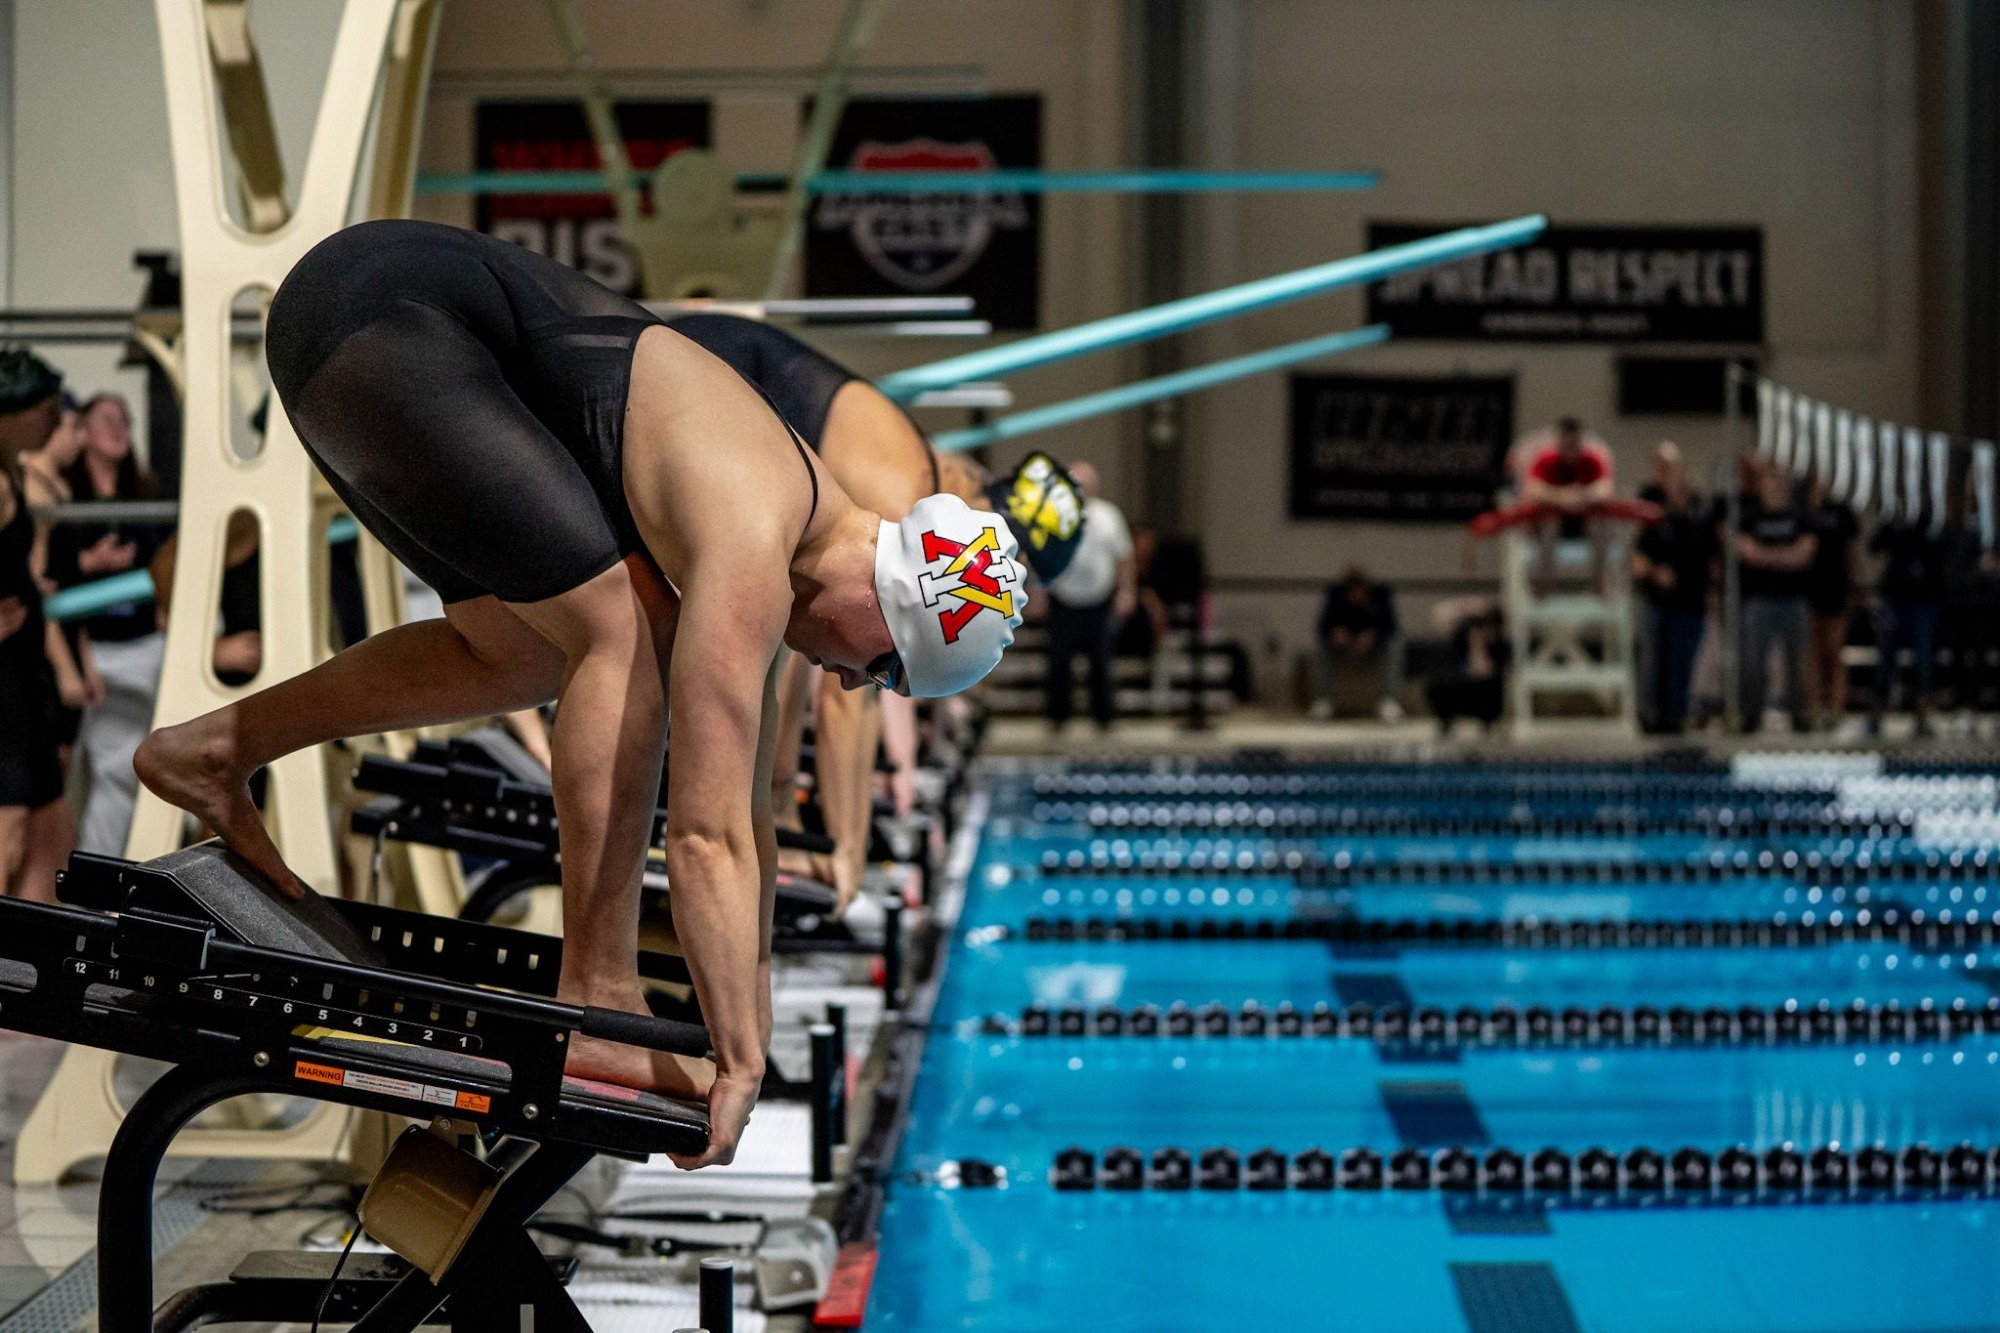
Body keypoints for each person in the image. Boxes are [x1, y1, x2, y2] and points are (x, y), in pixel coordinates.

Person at [132, 219, 1028, 1171]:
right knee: (626, 632)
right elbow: (705, 834)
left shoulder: (789, 514)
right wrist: (736, 1059)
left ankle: (220, 746)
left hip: (370, 319)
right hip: (385, 317)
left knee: (518, 652)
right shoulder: (755, 532)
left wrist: (749, 1014)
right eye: (884, 667)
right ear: (888, 604)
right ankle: (597, 989)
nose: (854, 681)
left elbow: (752, 827)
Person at [665, 314, 1080, 910]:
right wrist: (847, 850)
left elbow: (824, 651)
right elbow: (845, 695)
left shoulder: (925, 483)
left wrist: (782, 798)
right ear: (990, 505)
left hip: (699, 379)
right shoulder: (901, 493)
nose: (983, 568)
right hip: (680, 377)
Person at [47, 392, 171, 855]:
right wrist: (88, 562)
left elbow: (168, 560)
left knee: (135, 772)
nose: (119, 427)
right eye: (106, 419)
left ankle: (132, 876)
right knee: (99, 772)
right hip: (93, 651)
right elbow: (48, 573)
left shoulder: (146, 494)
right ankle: (90, 883)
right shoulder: (66, 497)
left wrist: (165, 602)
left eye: (125, 418)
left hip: (146, 647)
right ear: (82, 433)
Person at [0, 347, 75, 903]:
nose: (56, 421)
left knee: (51, 839)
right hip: (4, 685)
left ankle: (30, 980)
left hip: (24, 678)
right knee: (11, 831)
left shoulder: (15, 475)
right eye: (46, 409)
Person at [1041, 461, 1133, 732]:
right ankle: (1058, 718)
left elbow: (1124, 556)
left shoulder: (1109, 515)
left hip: (1100, 600)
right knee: (1058, 661)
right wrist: (1037, 593)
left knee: (1101, 661)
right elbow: (1040, 557)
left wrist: (1126, 590)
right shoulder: (1052, 515)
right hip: (1063, 598)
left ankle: (1104, 718)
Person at [1630, 442, 1715, 733]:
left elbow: (1710, 559)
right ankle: (1654, 716)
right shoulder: (1650, 510)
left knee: (1683, 663)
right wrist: (1656, 573)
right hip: (1660, 601)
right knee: (1657, 662)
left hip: (1691, 602)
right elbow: (1638, 557)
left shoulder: (1698, 515)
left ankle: (1677, 716)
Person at [1735, 462, 1815, 732]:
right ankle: (1752, 715)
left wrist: (1767, 556)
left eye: (1781, 480)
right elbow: (1747, 552)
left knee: (1796, 662)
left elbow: (1803, 555)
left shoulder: (1800, 517)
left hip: (1793, 599)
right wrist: (1784, 555)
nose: (1776, 485)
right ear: (1763, 484)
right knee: (1755, 661)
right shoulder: (1750, 516)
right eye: (1772, 479)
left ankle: (1798, 715)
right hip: (1760, 600)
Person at [1869, 514, 1947, 738]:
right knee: (1886, 659)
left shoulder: (1932, 519)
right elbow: (1874, 546)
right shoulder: (1895, 519)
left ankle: (1922, 715)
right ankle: (1877, 713)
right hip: (1895, 599)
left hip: (1926, 600)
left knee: (1924, 660)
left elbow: (1945, 552)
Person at [1518, 418, 1615, 586]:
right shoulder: (1546, 460)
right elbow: (1532, 489)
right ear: (1559, 441)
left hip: (1583, 525)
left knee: (1601, 525)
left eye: (1574, 443)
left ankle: (1598, 584)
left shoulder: (1591, 460)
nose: (1571, 447)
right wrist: (1562, 496)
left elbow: (1605, 489)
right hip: (1552, 525)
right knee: (1549, 523)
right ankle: (1545, 584)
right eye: (1567, 443)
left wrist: (1582, 495)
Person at [1801, 475, 1859, 730]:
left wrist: (1853, 584)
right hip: (1811, 590)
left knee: (1835, 651)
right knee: (1813, 651)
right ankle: (1815, 706)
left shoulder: (1843, 512)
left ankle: (1836, 706)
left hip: (1836, 589)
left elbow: (1852, 550)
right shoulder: (1804, 511)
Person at [1308, 566, 1402, 722]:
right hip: (1344, 646)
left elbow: (1391, 627)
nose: (1357, 596)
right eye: (1353, 592)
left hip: (1372, 648)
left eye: (1360, 591)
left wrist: (1374, 634)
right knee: (1321, 644)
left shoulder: (1381, 594)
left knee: (1394, 643)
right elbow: (1323, 626)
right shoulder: (1335, 594)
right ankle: (1323, 700)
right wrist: (1336, 632)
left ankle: (1388, 700)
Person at [1425, 596, 1509, 734]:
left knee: (1487, 689)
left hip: (1484, 695)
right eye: (1481, 626)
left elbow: (1482, 671)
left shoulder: (1500, 646)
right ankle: (1447, 721)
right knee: (1437, 685)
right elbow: (1439, 617)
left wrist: (1478, 646)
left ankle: (1487, 723)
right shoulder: (1464, 637)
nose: (1485, 631)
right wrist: (1464, 606)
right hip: (1464, 689)